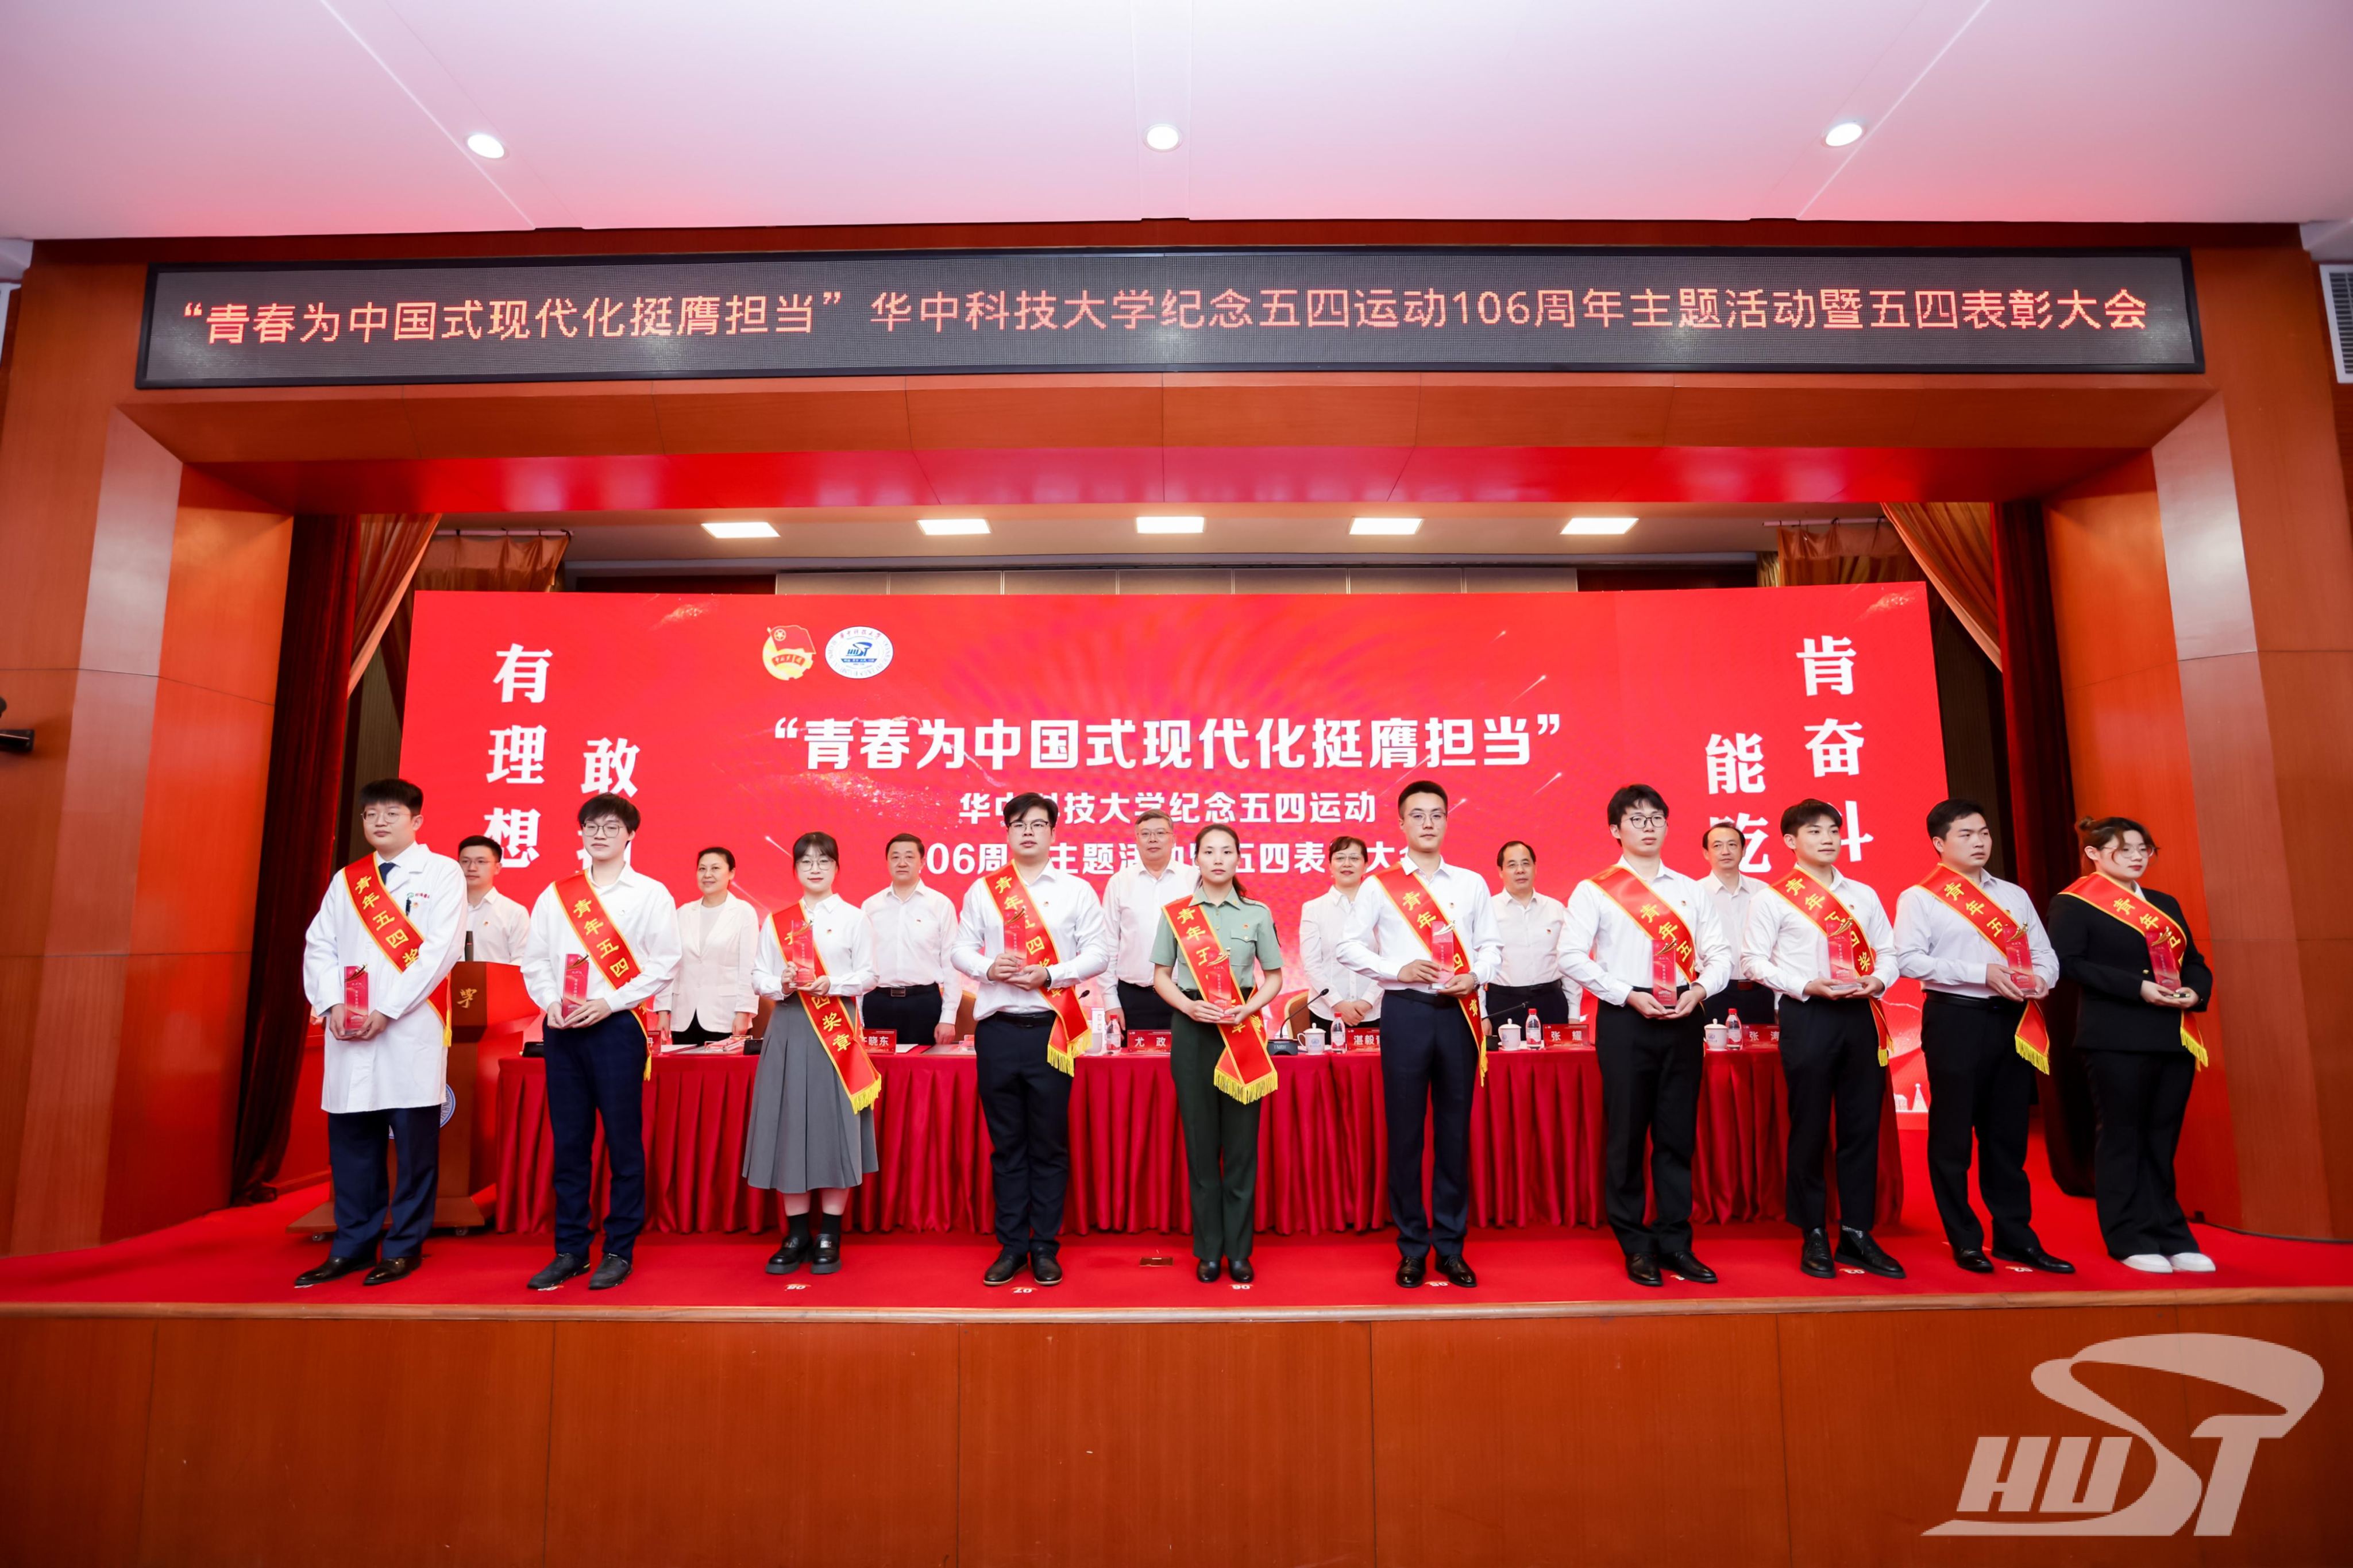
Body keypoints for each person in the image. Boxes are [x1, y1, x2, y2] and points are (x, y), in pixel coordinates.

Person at [1556, 785, 1730, 1288]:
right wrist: (1624, 994)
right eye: (1637, 819)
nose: (1648, 826)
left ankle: (1675, 1241)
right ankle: (1635, 1244)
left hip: (1684, 1013)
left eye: (1656, 818)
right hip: (1627, 1016)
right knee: (1628, 1135)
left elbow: (1720, 954)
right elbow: (1571, 956)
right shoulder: (1595, 890)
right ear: (1616, 830)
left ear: (1668, 826)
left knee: (1677, 1135)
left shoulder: (1691, 890)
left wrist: (1700, 990)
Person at [294, 778, 464, 1288]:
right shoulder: (348, 880)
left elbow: (440, 951)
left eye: (393, 813)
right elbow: (320, 945)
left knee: (413, 1150)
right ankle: (351, 1246)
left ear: (417, 821)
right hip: (349, 1028)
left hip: (408, 1027)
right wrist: (331, 1002)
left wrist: (388, 1009)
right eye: (371, 815)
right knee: (353, 1146)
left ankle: (404, 1247)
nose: (380, 822)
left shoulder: (442, 873)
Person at [1889, 799, 2071, 1275]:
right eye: (1966, 835)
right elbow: (1908, 960)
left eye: (1984, 833)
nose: (1979, 842)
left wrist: (2042, 979)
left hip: (2012, 1020)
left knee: (2007, 1134)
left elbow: (2045, 955)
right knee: (1953, 1135)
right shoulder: (1920, 897)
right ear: (1939, 843)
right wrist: (1981, 973)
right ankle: (1965, 1238)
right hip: (1957, 1019)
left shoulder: (2013, 895)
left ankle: (2015, 1237)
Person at [1335, 779, 1501, 1289]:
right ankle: (1411, 1247)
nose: (1428, 823)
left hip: (1459, 1014)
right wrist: (1397, 970)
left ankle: (1451, 1247)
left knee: (1454, 1134)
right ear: (1402, 824)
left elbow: (1491, 946)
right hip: (1406, 1012)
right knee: (1406, 1134)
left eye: (1437, 814)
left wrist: (1476, 976)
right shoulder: (1380, 886)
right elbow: (1347, 946)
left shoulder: (1471, 883)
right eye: (1418, 815)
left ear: (1448, 820)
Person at [518, 793, 680, 1292]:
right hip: (564, 1029)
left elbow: (665, 962)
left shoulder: (650, 893)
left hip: (616, 1027)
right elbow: (535, 959)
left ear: (631, 835)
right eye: (592, 826)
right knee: (570, 1143)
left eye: (612, 827)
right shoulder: (557, 894)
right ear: (581, 832)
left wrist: (610, 1002)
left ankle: (618, 1250)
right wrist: (550, 1001)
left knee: (623, 1142)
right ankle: (570, 1249)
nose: (600, 834)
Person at [950, 793, 1112, 1287]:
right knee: (1006, 1145)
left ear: (1053, 834)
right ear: (1006, 833)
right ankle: (1012, 1246)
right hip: (997, 1031)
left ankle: (1044, 1246)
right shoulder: (985, 890)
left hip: (1052, 1031)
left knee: (1048, 1143)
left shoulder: (1076, 890)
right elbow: (960, 949)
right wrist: (987, 967)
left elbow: (1098, 953)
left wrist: (1052, 973)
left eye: (1038, 824)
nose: (1027, 832)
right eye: (1018, 824)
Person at [2047, 816, 2215, 1274]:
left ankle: (2172, 1234)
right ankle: (2128, 1236)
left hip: (2172, 1034)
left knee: (2162, 1139)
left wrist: (2195, 992)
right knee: (2123, 1137)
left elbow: (2194, 961)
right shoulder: (2075, 903)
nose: (2138, 857)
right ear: (2094, 854)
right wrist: (2136, 988)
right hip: (2115, 1036)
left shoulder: (2164, 904)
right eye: (2125, 850)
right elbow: (2068, 963)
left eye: (2145, 849)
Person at [1745, 798, 1903, 1281]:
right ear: (1790, 841)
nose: (1828, 838)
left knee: (1861, 1127)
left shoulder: (1864, 894)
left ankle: (1857, 1232)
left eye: (1833, 830)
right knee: (1810, 1126)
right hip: (1808, 1014)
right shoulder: (1774, 898)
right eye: (1815, 831)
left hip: (1861, 1014)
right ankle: (1812, 1231)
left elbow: (1889, 952)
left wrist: (1878, 980)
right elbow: (1753, 961)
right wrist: (1804, 985)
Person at [1150, 823, 1285, 1283]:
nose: (1218, 859)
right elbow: (1161, 976)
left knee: (1242, 1148)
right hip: (1193, 1030)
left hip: (1242, 1030)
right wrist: (1188, 1006)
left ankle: (1240, 1251)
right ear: (1197, 860)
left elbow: (1274, 977)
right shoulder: (1177, 915)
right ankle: (1209, 1250)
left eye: (1227, 851)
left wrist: (1250, 1007)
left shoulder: (1258, 913)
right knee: (1201, 1145)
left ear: (1238, 859)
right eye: (1209, 852)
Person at [747, 831, 880, 1275]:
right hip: (789, 1027)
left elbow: (869, 975)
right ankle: (797, 1233)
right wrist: (781, 984)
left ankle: (830, 1234)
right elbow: (759, 977)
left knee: (835, 1125)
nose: (815, 868)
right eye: (806, 862)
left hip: (835, 1030)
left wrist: (833, 983)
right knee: (789, 1124)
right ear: (795, 870)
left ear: (837, 867)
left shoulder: (855, 918)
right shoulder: (777, 921)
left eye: (824, 860)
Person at [1100, 809, 1196, 1039]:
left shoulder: (1194, 879)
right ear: (1136, 840)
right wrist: (1110, 1000)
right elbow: (1107, 943)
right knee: (1134, 1061)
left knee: (1188, 1062)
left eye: (1160, 833)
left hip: (1185, 997)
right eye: (1145, 834)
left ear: (1173, 839)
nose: (1153, 839)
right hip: (1133, 998)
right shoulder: (1120, 882)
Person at [861, 832, 962, 1048]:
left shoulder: (940, 905)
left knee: (922, 1067)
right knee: (877, 1067)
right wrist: (858, 1016)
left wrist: (948, 1017)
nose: (902, 863)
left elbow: (951, 964)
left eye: (909, 857)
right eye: (895, 857)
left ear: (922, 862)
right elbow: (861, 963)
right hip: (878, 1003)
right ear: (887, 862)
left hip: (923, 1004)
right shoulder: (870, 906)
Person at [666, 846, 759, 1049]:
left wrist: (744, 1012)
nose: (707, 875)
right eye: (702, 869)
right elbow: (669, 965)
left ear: (731, 873)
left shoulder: (744, 913)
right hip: (684, 1015)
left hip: (726, 1015)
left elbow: (749, 968)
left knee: (721, 1069)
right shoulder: (683, 913)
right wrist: (663, 1011)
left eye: (715, 868)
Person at [1487, 840, 1577, 1032]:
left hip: (1552, 1002)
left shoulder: (1556, 909)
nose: (1520, 870)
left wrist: (1574, 1013)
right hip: (1504, 1003)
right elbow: (1476, 964)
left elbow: (1569, 963)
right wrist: (1482, 1015)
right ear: (1501, 871)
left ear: (1535, 868)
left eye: (1526, 863)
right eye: (1512, 865)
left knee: (1556, 1054)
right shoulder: (1488, 911)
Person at [1298, 836, 1382, 1038]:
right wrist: (1338, 1003)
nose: (1347, 864)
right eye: (1340, 858)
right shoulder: (1313, 909)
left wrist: (1367, 1001)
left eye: (1354, 858)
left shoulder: (1382, 907)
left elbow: (1388, 960)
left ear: (1366, 865)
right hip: (1326, 1013)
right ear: (1330, 866)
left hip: (1374, 1012)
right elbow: (1312, 965)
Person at [1699, 821, 1773, 1030]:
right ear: (1706, 853)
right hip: (1713, 992)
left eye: (1732, 845)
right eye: (1717, 846)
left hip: (1761, 990)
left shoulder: (1764, 892)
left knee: (1764, 1049)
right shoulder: (1695, 893)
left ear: (1744, 850)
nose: (1726, 851)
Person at [456, 834, 531, 964]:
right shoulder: (446, 908)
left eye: (481, 862)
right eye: (465, 861)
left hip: (497, 978)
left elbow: (522, 959)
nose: (472, 868)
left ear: (497, 868)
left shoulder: (514, 912)